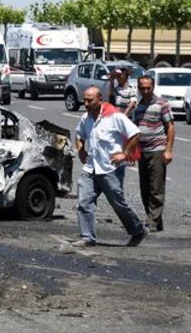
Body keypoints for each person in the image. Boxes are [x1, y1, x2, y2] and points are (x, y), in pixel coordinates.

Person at [73, 86, 148, 248]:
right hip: (91, 168)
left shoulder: (114, 117)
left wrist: (125, 153)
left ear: (100, 100)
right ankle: (87, 237)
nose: (86, 104)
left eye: (90, 100)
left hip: (110, 168)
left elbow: (135, 133)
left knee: (117, 202)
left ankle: (138, 229)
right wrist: (80, 150)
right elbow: (79, 135)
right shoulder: (86, 118)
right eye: (85, 100)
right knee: (84, 201)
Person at [133, 75, 175, 233]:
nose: (145, 90)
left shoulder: (161, 104)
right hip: (142, 152)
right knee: (144, 188)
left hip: (157, 151)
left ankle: (152, 220)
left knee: (156, 187)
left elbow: (170, 127)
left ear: (153, 86)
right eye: (142, 88)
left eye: (148, 87)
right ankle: (156, 220)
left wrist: (168, 150)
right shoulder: (139, 106)